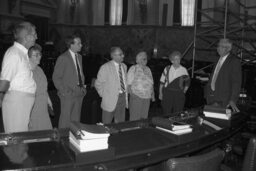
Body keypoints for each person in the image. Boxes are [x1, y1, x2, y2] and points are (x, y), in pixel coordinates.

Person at [0, 21, 37, 133]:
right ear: (27, 37)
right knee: (16, 142)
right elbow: (3, 83)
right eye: (35, 34)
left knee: (21, 140)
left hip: (21, 104)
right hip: (16, 104)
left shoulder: (22, 53)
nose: (37, 37)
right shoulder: (14, 54)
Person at [52, 35, 86, 128]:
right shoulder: (63, 57)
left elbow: (79, 74)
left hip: (79, 93)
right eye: (78, 43)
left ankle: (73, 140)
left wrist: (83, 87)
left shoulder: (79, 57)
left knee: (76, 121)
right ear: (71, 45)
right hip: (68, 95)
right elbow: (56, 77)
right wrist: (65, 91)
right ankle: (63, 140)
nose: (81, 45)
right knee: (65, 121)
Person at [205, 38, 242, 112]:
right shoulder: (217, 60)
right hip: (211, 98)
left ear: (228, 49)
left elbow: (236, 82)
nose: (218, 48)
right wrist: (206, 94)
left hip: (224, 100)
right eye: (218, 46)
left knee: (219, 122)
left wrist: (233, 100)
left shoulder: (234, 61)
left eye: (222, 46)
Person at [95, 47, 127, 124]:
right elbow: (98, 83)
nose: (123, 56)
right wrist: (104, 95)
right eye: (120, 54)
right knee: (107, 124)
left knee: (120, 123)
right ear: (113, 56)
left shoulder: (124, 66)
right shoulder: (105, 67)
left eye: (123, 54)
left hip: (122, 97)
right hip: (109, 100)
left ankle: (118, 136)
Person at [28, 44, 53, 131]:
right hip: (33, 105)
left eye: (40, 54)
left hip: (43, 105)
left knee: (45, 130)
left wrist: (49, 101)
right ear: (29, 57)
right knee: (35, 131)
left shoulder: (39, 70)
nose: (39, 57)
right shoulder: (26, 72)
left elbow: (44, 89)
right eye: (36, 55)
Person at [159, 51, 190, 115]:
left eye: (179, 59)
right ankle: (166, 124)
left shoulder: (183, 70)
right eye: (176, 59)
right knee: (166, 112)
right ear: (172, 61)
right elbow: (162, 82)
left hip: (178, 94)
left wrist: (184, 91)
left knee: (178, 113)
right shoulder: (167, 68)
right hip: (167, 93)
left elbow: (188, 82)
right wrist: (160, 93)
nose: (178, 61)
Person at [127, 51, 155, 121]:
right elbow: (128, 83)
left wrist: (153, 94)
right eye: (143, 58)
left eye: (146, 58)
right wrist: (132, 94)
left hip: (147, 97)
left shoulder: (148, 69)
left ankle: (141, 131)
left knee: (144, 118)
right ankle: (133, 131)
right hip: (137, 96)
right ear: (138, 60)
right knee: (135, 118)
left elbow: (151, 83)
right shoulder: (133, 68)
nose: (145, 60)